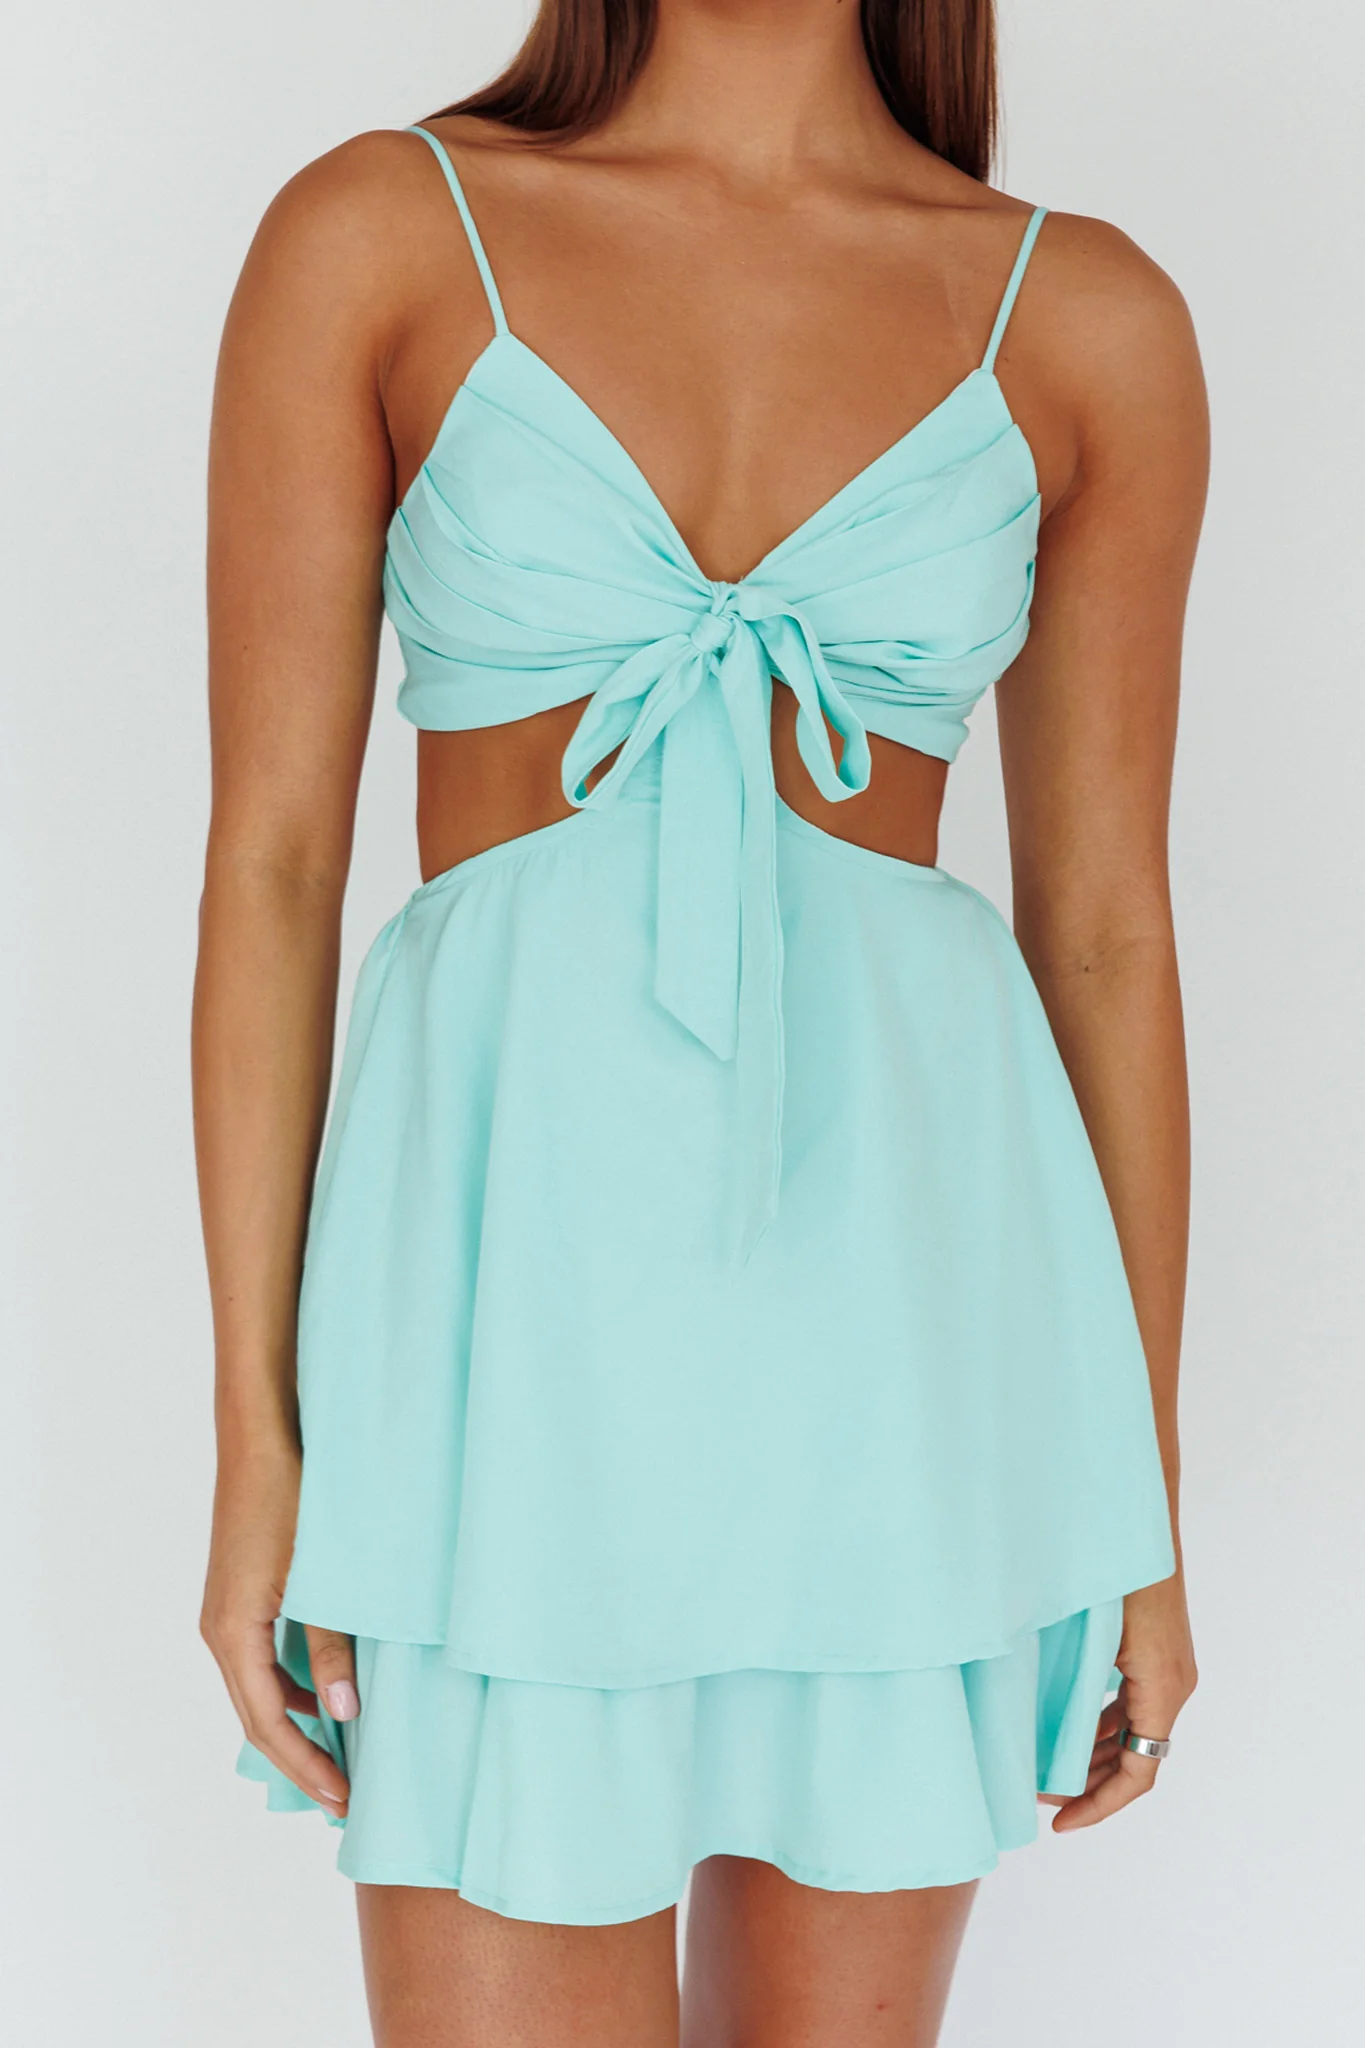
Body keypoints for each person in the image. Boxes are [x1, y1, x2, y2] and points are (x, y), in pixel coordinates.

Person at [194, 2, 1205, 2041]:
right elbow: (276, 866)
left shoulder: (1085, 316)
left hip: (900, 1341)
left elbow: (1103, 932)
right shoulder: (380, 232)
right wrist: (257, 1435)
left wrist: (1138, 1506)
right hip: (505, 1325)